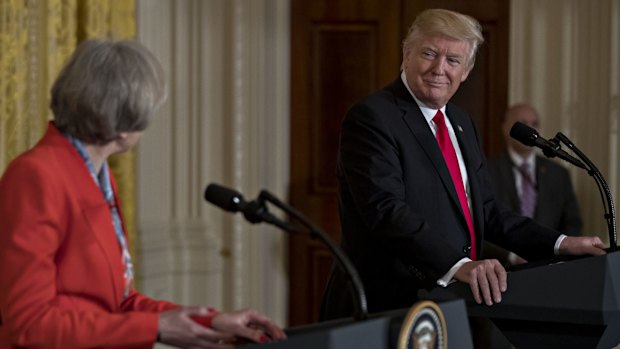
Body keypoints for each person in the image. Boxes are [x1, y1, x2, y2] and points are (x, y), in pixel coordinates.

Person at [320, 8, 606, 321]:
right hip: (385, 305)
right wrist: (458, 265)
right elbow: (386, 211)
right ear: (406, 53)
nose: (438, 69)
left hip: (449, 304)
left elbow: (487, 211)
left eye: (453, 60)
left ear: (466, 70)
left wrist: (560, 243)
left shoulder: (460, 122)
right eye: (429, 53)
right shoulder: (373, 117)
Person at [0, 39, 286, 349]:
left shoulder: (99, 177)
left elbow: (118, 304)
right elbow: (28, 325)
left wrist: (209, 322)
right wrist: (155, 328)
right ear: (123, 125)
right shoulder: (36, 176)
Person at [485, 103, 583, 265]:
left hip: (551, 267)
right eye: (523, 124)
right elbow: (479, 224)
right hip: (502, 269)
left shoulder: (558, 174)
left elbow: (573, 224)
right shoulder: (486, 170)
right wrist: (511, 256)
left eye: (535, 124)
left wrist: (556, 253)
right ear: (505, 128)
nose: (530, 129)